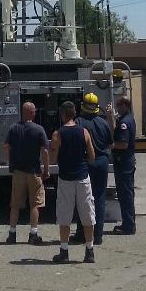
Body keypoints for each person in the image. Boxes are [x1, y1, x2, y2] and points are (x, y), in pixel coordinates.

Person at [49, 100, 96, 264]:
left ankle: (64, 251)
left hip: (66, 178)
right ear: (74, 114)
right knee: (87, 214)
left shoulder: (57, 134)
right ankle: (89, 251)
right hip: (83, 177)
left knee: (64, 215)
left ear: (62, 115)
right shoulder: (84, 132)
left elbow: (53, 159)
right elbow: (92, 156)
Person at [3, 101, 50, 245]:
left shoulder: (13, 128)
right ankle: (33, 234)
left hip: (18, 171)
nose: (35, 112)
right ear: (30, 112)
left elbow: (5, 146)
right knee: (35, 204)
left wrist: (11, 162)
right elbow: (44, 151)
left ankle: (12, 234)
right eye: (34, 111)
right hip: (34, 172)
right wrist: (46, 170)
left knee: (15, 204)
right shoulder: (39, 129)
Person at [75, 91, 114, 245]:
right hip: (102, 162)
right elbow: (111, 144)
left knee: (83, 200)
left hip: (85, 163)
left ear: (83, 107)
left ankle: (81, 234)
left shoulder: (79, 122)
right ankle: (97, 236)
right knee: (99, 198)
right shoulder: (103, 123)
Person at [111, 93, 137, 235]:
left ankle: (128, 225)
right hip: (126, 162)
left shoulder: (125, 122)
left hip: (124, 163)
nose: (117, 108)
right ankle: (129, 222)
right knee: (127, 193)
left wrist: (111, 146)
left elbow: (123, 144)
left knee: (125, 194)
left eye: (119, 105)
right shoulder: (126, 119)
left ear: (125, 105)